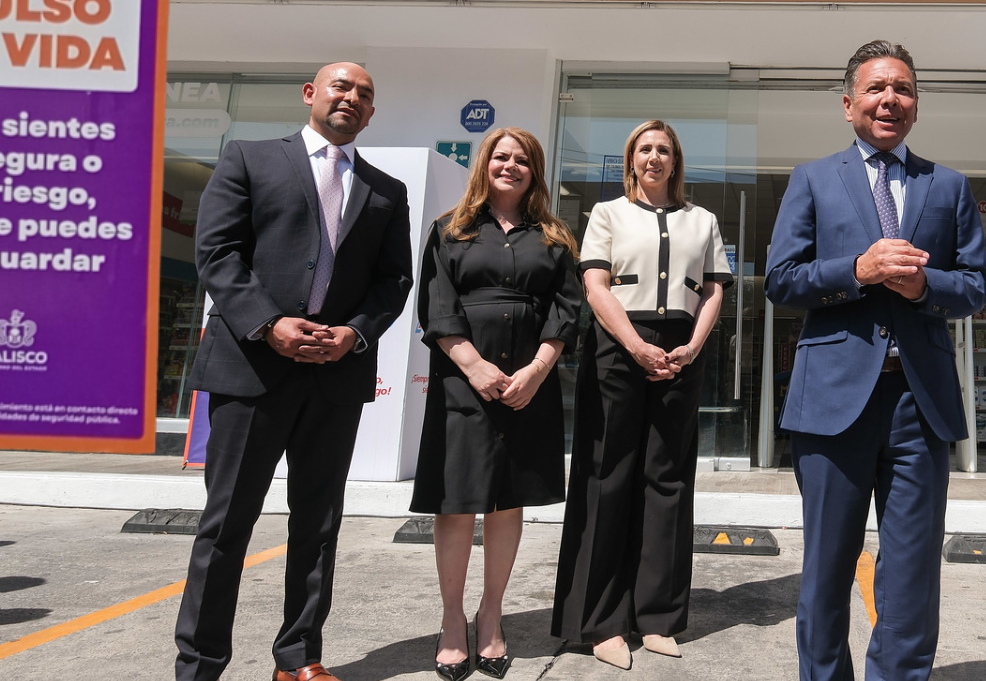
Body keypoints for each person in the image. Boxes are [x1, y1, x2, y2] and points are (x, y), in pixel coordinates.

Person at [176, 62, 414, 681]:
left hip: (334, 379)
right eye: (341, 87)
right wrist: (268, 323)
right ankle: (199, 665)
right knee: (226, 525)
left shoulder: (386, 190)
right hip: (251, 370)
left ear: (371, 113)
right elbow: (217, 253)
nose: (351, 98)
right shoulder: (249, 158)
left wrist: (355, 333)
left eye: (365, 94)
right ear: (311, 94)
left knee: (319, 524)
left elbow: (394, 280)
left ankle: (300, 658)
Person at [766, 40, 986, 681]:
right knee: (827, 565)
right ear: (848, 104)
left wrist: (924, 287)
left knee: (913, 569)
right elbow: (781, 280)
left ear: (916, 105)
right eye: (875, 88)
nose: (890, 99)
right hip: (832, 401)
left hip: (919, 403)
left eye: (903, 89)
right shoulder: (812, 179)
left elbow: (974, 286)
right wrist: (857, 271)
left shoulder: (948, 186)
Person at [553, 120, 733, 669]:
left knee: (668, 478)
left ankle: (658, 615)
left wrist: (692, 347)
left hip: (682, 349)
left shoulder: (702, 220)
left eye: (663, 150)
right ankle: (600, 621)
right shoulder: (607, 213)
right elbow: (595, 286)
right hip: (617, 346)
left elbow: (714, 289)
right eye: (644, 149)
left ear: (675, 161)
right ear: (631, 159)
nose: (654, 157)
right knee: (607, 475)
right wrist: (635, 346)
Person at [414, 126, 582, 681]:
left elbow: (566, 309)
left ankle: (491, 614)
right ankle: (451, 619)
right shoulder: (450, 229)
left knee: (508, 501)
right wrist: (474, 366)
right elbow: (437, 306)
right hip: (462, 383)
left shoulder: (554, 236)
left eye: (522, 160)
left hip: (527, 386)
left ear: (535, 172)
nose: (511, 167)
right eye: (501, 157)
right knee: (456, 502)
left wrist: (536, 371)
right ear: (485, 163)